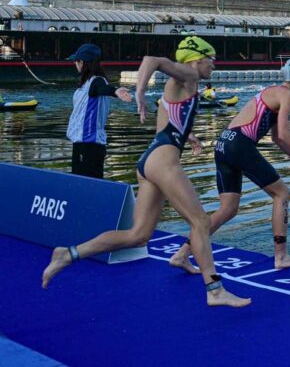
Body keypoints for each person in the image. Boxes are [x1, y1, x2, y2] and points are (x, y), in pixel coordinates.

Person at [42, 36, 250, 308]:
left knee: (138, 235)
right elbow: (152, 60)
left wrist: (189, 137)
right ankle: (214, 289)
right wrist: (139, 92)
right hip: (163, 161)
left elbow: (168, 123)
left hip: (150, 159)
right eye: (212, 60)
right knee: (200, 222)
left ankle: (68, 254)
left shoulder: (182, 85)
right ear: (197, 59)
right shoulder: (187, 73)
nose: (214, 65)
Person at [168, 57, 290, 271]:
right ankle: (281, 256)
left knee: (227, 209)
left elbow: (277, 139)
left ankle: (182, 254)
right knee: (282, 194)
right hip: (239, 145)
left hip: (223, 144)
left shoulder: (272, 92)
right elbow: (283, 134)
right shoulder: (287, 95)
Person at [66, 43, 132, 179]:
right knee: (80, 183)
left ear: (82, 62)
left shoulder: (96, 81)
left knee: (88, 184)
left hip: (89, 144)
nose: (74, 64)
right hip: (81, 143)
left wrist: (115, 91)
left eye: (76, 61)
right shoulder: (85, 84)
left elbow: (102, 88)